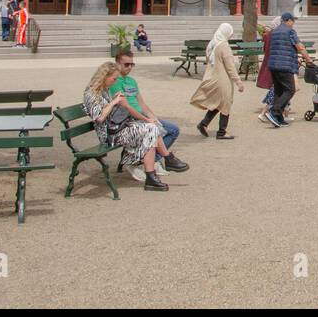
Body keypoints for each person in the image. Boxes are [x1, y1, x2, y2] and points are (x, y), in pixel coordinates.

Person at [84, 61, 176, 191]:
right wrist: (114, 102)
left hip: (118, 128)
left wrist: (115, 101)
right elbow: (99, 118)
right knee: (149, 130)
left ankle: (151, 175)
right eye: (113, 78)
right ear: (104, 76)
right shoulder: (91, 94)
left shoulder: (104, 90)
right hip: (109, 135)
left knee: (151, 128)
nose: (115, 82)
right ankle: (160, 165)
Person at [108, 51, 188, 174]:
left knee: (173, 129)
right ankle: (155, 160)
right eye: (126, 64)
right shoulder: (114, 81)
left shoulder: (132, 81)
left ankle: (150, 160)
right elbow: (126, 107)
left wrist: (153, 117)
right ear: (117, 64)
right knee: (154, 130)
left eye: (132, 64)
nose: (129, 67)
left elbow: (141, 103)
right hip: (130, 119)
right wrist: (147, 120)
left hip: (142, 116)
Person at [191, 22, 243, 139]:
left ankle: (204, 124)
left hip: (213, 77)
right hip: (223, 79)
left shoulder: (212, 44)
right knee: (226, 103)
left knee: (218, 103)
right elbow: (230, 66)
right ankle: (222, 132)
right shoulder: (224, 46)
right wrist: (238, 82)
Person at [266, 12, 311, 127]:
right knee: (290, 90)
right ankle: (274, 111)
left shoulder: (275, 31)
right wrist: (308, 59)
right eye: (293, 21)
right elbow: (300, 47)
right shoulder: (290, 31)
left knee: (278, 91)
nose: (293, 23)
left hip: (273, 65)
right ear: (288, 20)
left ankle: (278, 119)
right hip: (285, 66)